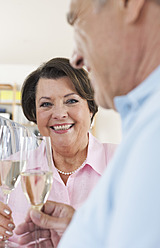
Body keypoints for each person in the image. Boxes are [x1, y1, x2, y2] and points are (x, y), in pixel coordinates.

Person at [15, 0, 160, 247]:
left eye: (79, 23)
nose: (77, 57)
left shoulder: (143, 139)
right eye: (46, 104)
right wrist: (77, 233)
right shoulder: (14, 168)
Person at [0, 57, 116, 244]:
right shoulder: (9, 173)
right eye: (46, 104)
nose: (60, 114)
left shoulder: (125, 164)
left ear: (91, 109)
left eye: (71, 100)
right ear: (34, 115)